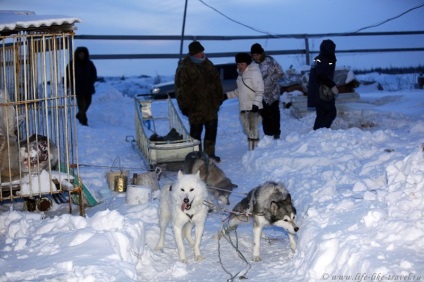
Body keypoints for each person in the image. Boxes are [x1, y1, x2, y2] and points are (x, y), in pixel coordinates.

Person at [175, 41, 223, 162]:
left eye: (202, 51)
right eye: (199, 52)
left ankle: (209, 154)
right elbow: (180, 89)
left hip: (211, 106)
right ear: (193, 54)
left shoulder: (208, 64)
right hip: (195, 108)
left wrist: (218, 99)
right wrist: (184, 107)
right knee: (196, 132)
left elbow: (217, 83)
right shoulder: (184, 67)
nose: (202, 54)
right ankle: (196, 156)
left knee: (211, 131)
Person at [223, 53, 264, 151]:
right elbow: (239, 91)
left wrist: (256, 104)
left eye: (242, 64)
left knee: (253, 131)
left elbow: (260, 90)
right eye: (238, 64)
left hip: (255, 108)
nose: (240, 66)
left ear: (247, 63)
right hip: (244, 107)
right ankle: (253, 151)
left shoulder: (254, 72)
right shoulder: (240, 75)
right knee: (248, 130)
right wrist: (226, 96)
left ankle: (253, 153)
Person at [250, 43, 285, 139]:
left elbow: (281, 73)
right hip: (261, 95)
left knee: (274, 113)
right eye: (253, 55)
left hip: (273, 93)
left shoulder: (270, 61)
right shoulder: (252, 66)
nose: (255, 57)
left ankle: (276, 133)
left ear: (261, 53)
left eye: (257, 54)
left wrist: (271, 79)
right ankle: (268, 135)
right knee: (265, 115)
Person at [309, 39, 338, 130]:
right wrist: (332, 85)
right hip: (322, 91)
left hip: (316, 90)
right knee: (331, 112)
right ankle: (322, 132)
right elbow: (321, 75)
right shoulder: (325, 59)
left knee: (321, 114)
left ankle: (316, 133)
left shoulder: (319, 58)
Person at [65, 46, 97, 126]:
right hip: (78, 88)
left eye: (83, 54)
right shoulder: (72, 64)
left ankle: (79, 115)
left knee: (88, 103)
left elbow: (94, 74)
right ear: (77, 55)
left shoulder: (90, 64)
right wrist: (68, 85)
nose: (81, 56)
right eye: (80, 54)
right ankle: (84, 121)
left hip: (88, 87)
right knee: (81, 105)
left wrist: (91, 81)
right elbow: (68, 75)